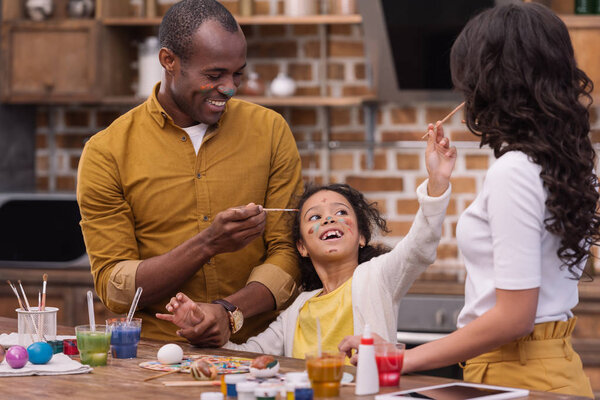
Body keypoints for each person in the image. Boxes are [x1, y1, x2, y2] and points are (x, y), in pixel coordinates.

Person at [339, 3, 598, 397]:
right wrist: (438, 180)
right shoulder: (572, 160)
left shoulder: (513, 170)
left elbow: (514, 319)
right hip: (552, 366)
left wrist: (400, 360)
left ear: (493, 80)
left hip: (517, 370)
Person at [76, 0, 303, 346]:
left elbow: (287, 251)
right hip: (155, 355)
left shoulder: (271, 131)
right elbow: (114, 284)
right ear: (169, 61)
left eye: (237, 73)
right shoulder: (106, 152)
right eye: (214, 76)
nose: (229, 88)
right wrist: (208, 243)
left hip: (258, 350)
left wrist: (229, 313)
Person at [156, 122, 456, 357]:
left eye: (340, 212)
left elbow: (419, 247)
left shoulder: (377, 278)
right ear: (301, 246)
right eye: (314, 217)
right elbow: (249, 356)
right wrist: (200, 328)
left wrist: (437, 183)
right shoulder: (298, 308)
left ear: (362, 236)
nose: (328, 219)